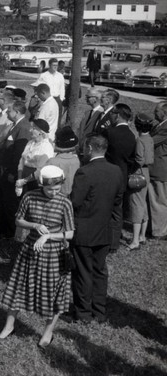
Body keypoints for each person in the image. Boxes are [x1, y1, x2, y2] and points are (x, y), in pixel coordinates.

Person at [0, 166, 74, 347]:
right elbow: (18, 220)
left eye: (58, 189)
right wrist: (34, 225)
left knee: (54, 294)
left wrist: (48, 236)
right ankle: (9, 327)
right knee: (19, 288)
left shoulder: (65, 203)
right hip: (30, 251)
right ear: (41, 185)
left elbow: (69, 234)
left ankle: (47, 332)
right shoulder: (29, 197)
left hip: (55, 255)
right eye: (50, 189)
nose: (54, 193)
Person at [70, 135, 125, 324]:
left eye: (85, 148)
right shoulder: (116, 171)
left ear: (91, 148)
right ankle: (99, 311)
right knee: (100, 271)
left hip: (85, 230)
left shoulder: (85, 172)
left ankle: (83, 313)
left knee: (83, 272)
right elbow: (118, 202)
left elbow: (75, 202)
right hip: (105, 230)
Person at [0, 100, 30, 237]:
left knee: (10, 202)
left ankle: (10, 231)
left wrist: (12, 172)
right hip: (3, 169)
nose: (7, 112)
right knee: (3, 199)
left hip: (10, 171)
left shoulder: (23, 127)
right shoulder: (14, 125)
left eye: (10, 110)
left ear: (17, 112)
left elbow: (18, 153)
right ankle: (2, 227)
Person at [105, 103, 136, 252]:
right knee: (118, 212)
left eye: (112, 114)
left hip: (107, 176)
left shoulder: (110, 133)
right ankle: (114, 243)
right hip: (122, 177)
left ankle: (104, 239)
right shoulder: (132, 135)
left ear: (116, 115)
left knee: (104, 209)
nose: (110, 116)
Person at [128, 113, 153, 250]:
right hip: (147, 173)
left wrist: (131, 168)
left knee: (136, 204)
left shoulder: (139, 141)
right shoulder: (150, 139)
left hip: (138, 173)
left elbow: (139, 159)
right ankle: (142, 236)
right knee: (142, 203)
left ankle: (135, 240)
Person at [16, 119, 55, 195]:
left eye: (33, 128)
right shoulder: (30, 143)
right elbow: (22, 161)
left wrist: (24, 181)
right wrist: (19, 179)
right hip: (23, 177)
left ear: (41, 132)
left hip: (34, 181)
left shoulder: (46, 147)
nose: (30, 130)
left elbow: (41, 169)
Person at [45, 127, 81, 196]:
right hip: (73, 197)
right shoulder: (77, 160)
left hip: (56, 197)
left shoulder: (52, 162)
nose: (54, 141)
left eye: (55, 139)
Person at [149, 101, 167, 240]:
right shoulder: (159, 125)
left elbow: (149, 141)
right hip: (157, 168)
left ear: (164, 112)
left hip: (160, 169)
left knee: (159, 201)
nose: (154, 113)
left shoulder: (165, 128)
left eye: (157, 111)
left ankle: (160, 231)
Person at [77, 87, 104, 157]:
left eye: (88, 97)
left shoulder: (101, 113)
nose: (85, 99)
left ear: (96, 98)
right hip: (82, 148)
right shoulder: (88, 112)